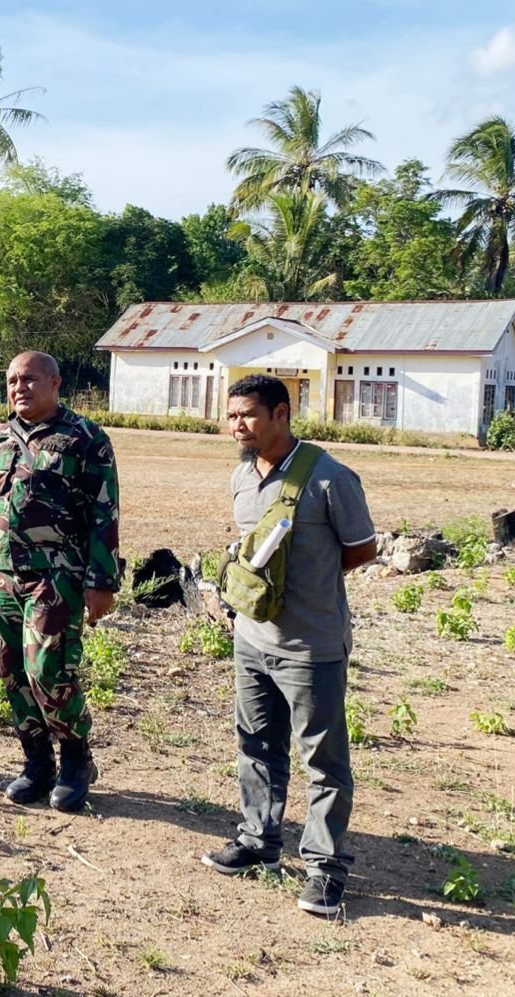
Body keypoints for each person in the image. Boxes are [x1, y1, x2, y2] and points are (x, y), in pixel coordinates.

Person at [202, 374, 377, 918]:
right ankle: (259, 841)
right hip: (251, 640)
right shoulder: (241, 477)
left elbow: (361, 549)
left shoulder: (329, 478)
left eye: (248, 414)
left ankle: (325, 868)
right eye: (232, 416)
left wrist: (310, 581)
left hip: (311, 645)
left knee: (322, 760)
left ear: (282, 413)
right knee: (256, 744)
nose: (238, 425)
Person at [0, 351, 122, 813]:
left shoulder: (85, 438)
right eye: (12, 381)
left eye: (28, 379)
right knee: (11, 671)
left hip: (57, 577)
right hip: (3, 577)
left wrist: (101, 580)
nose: (18, 388)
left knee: (49, 670)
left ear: (55, 382)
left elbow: (104, 513)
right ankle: (37, 763)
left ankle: (76, 759)